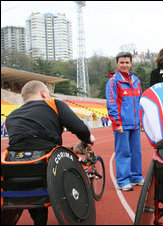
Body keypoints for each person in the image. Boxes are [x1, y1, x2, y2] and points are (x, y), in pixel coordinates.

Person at [2, 80, 95, 225]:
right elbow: (81, 129)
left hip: (16, 169)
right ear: (44, 93)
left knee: (34, 162)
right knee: (49, 158)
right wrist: (88, 139)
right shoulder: (53, 104)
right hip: (49, 167)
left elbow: (28, 144)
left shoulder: (11, 117)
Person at [106, 52, 144, 192]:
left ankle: (136, 176)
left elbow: (140, 102)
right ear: (117, 63)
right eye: (122, 62)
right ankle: (123, 180)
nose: (125, 65)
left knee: (136, 152)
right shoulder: (113, 81)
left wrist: (141, 121)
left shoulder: (136, 81)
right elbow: (111, 103)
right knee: (123, 152)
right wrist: (116, 123)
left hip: (135, 123)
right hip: (122, 124)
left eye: (127, 62)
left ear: (131, 63)